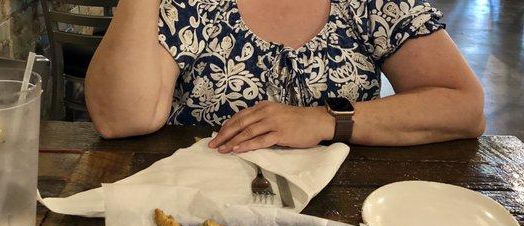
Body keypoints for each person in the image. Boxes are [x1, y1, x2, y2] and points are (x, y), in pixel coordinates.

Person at [85, 0, 485, 151]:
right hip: (198, 218)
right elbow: (122, 117)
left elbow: (464, 107)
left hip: (346, 224)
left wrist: (325, 120)